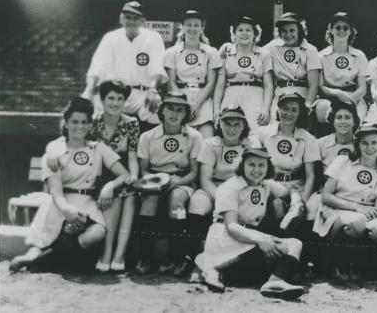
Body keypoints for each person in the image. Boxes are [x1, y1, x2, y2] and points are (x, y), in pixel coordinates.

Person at [9, 97, 130, 272]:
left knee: (97, 233)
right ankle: (36, 256)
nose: (79, 127)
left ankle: (43, 260)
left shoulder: (98, 148)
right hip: (60, 203)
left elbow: (124, 174)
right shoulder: (55, 151)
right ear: (66, 123)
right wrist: (68, 211)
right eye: (74, 122)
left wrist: (109, 186)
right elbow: (56, 193)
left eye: (84, 122)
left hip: (87, 204)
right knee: (59, 233)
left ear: (90, 125)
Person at [195, 148, 305, 300]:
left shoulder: (265, 184)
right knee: (281, 248)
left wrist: (296, 203)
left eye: (261, 165)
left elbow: (289, 192)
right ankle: (214, 268)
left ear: (268, 167)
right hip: (227, 239)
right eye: (251, 165)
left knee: (295, 244)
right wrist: (260, 240)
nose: (256, 170)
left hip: (249, 238)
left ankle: (275, 282)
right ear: (242, 165)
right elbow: (231, 226)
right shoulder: (229, 187)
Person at [312, 124, 377, 278]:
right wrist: (356, 207)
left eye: (374, 143)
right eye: (364, 143)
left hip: (367, 215)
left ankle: (362, 264)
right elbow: (326, 196)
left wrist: (363, 211)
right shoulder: (342, 161)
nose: (369, 148)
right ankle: (338, 262)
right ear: (357, 145)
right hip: (337, 210)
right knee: (357, 221)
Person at [135, 92, 203, 274]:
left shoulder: (194, 136)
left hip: (182, 180)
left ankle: (175, 257)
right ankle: (145, 256)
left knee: (176, 200)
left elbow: (195, 173)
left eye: (180, 109)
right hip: (155, 180)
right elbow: (143, 170)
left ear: (186, 114)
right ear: (162, 110)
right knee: (149, 201)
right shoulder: (147, 136)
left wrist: (175, 182)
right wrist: (158, 183)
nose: (174, 113)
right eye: (170, 108)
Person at [82, 1, 167, 132]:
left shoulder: (153, 37)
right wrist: (89, 90)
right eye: (128, 17)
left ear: (143, 21)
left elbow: (157, 68)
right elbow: (98, 66)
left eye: (136, 18)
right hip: (115, 92)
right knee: (92, 109)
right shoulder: (111, 37)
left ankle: (147, 150)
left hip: (141, 93)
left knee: (155, 111)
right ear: (121, 19)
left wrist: (153, 90)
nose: (131, 21)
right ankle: (93, 149)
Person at [187, 105, 256, 266]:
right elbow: (205, 179)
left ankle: (235, 259)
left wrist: (230, 200)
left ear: (244, 125)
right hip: (214, 188)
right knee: (198, 204)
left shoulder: (251, 144)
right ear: (219, 124)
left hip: (241, 190)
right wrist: (222, 199)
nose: (231, 129)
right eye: (227, 124)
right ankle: (192, 256)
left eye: (236, 124)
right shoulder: (211, 143)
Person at [89, 81, 140, 272]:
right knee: (119, 193)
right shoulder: (93, 122)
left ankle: (119, 255)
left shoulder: (131, 123)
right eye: (111, 98)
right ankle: (107, 252)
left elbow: (133, 156)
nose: (115, 103)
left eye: (120, 99)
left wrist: (134, 175)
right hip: (99, 176)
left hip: (122, 173)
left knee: (130, 193)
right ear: (102, 100)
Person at [255, 93, 319, 233]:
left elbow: (311, 176)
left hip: (296, 187)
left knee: (290, 207)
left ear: (300, 112)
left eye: (294, 110)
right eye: (285, 108)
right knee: (276, 204)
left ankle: (295, 210)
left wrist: (303, 200)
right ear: (277, 109)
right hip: (270, 186)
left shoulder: (308, 139)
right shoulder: (263, 133)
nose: (288, 113)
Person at [164, 10, 222, 138]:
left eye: (196, 25)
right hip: (178, 100)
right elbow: (171, 82)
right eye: (189, 25)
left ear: (202, 28)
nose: (192, 28)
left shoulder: (211, 52)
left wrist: (195, 104)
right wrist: (184, 105)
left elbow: (211, 82)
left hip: (203, 100)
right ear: (183, 27)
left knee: (206, 141)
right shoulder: (171, 52)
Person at [312, 12, 369, 137]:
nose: (341, 31)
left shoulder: (359, 55)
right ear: (331, 30)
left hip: (354, 98)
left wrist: (350, 100)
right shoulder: (321, 56)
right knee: (326, 117)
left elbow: (363, 87)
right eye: (337, 27)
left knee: (356, 124)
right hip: (329, 98)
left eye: (345, 28)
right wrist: (336, 93)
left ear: (350, 31)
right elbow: (320, 86)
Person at [214, 16, 273, 132]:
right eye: (240, 30)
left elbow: (268, 84)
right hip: (231, 96)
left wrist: (266, 108)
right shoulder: (226, 51)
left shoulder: (263, 54)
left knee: (255, 134)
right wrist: (216, 108)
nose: (244, 33)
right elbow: (220, 84)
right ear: (234, 33)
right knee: (230, 132)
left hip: (255, 98)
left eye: (248, 30)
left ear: (255, 34)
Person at [305, 101, 360, 224]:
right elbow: (314, 175)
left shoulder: (362, 144)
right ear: (332, 121)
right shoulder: (320, 144)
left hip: (353, 193)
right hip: (326, 192)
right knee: (311, 207)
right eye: (339, 118)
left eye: (347, 117)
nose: (343, 121)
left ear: (354, 121)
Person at [266, 12, 321, 119]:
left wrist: (307, 107)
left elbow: (314, 85)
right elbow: (255, 52)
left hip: (303, 95)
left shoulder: (310, 50)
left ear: (300, 31)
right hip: (280, 94)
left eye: (292, 30)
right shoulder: (273, 47)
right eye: (284, 31)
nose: (288, 34)